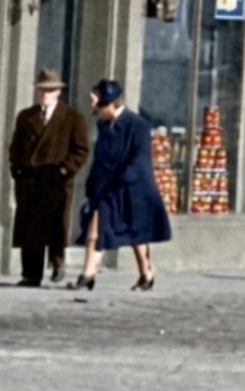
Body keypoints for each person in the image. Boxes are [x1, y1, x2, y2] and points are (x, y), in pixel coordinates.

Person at [70, 79, 171, 292]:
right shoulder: (104, 126)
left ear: (110, 103)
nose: (96, 111)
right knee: (95, 231)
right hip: (107, 189)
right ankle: (87, 274)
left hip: (134, 190)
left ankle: (146, 273)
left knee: (137, 234)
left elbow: (140, 159)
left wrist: (123, 178)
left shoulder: (138, 125)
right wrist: (92, 183)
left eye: (98, 105)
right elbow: (100, 159)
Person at [8, 67, 90, 287]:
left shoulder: (73, 118)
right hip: (30, 180)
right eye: (42, 90)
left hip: (56, 180)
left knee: (55, 225)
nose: (45, 95)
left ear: (58, 92)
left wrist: (64, 170)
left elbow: (81, 150)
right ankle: (31, 274)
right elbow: (15, 146)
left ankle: (57, 263)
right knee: (30, 229)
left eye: (50, 90)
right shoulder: (26, 116)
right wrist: (17, 168)